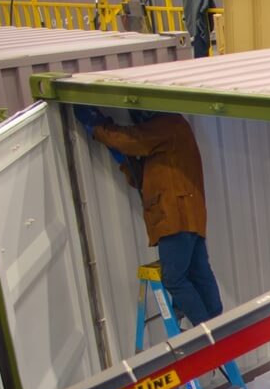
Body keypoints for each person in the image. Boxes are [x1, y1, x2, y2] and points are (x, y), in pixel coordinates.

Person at [75, 107, 223, 326]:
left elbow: (132, 140)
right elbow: (143, 178)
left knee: (174, 278)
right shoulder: (169, 133)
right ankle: (218, 327)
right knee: (199, 272)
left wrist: (98, 128)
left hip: (175, 217)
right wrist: (124, 161)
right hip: (187, 216)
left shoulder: (168, 123)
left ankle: (206, 332)